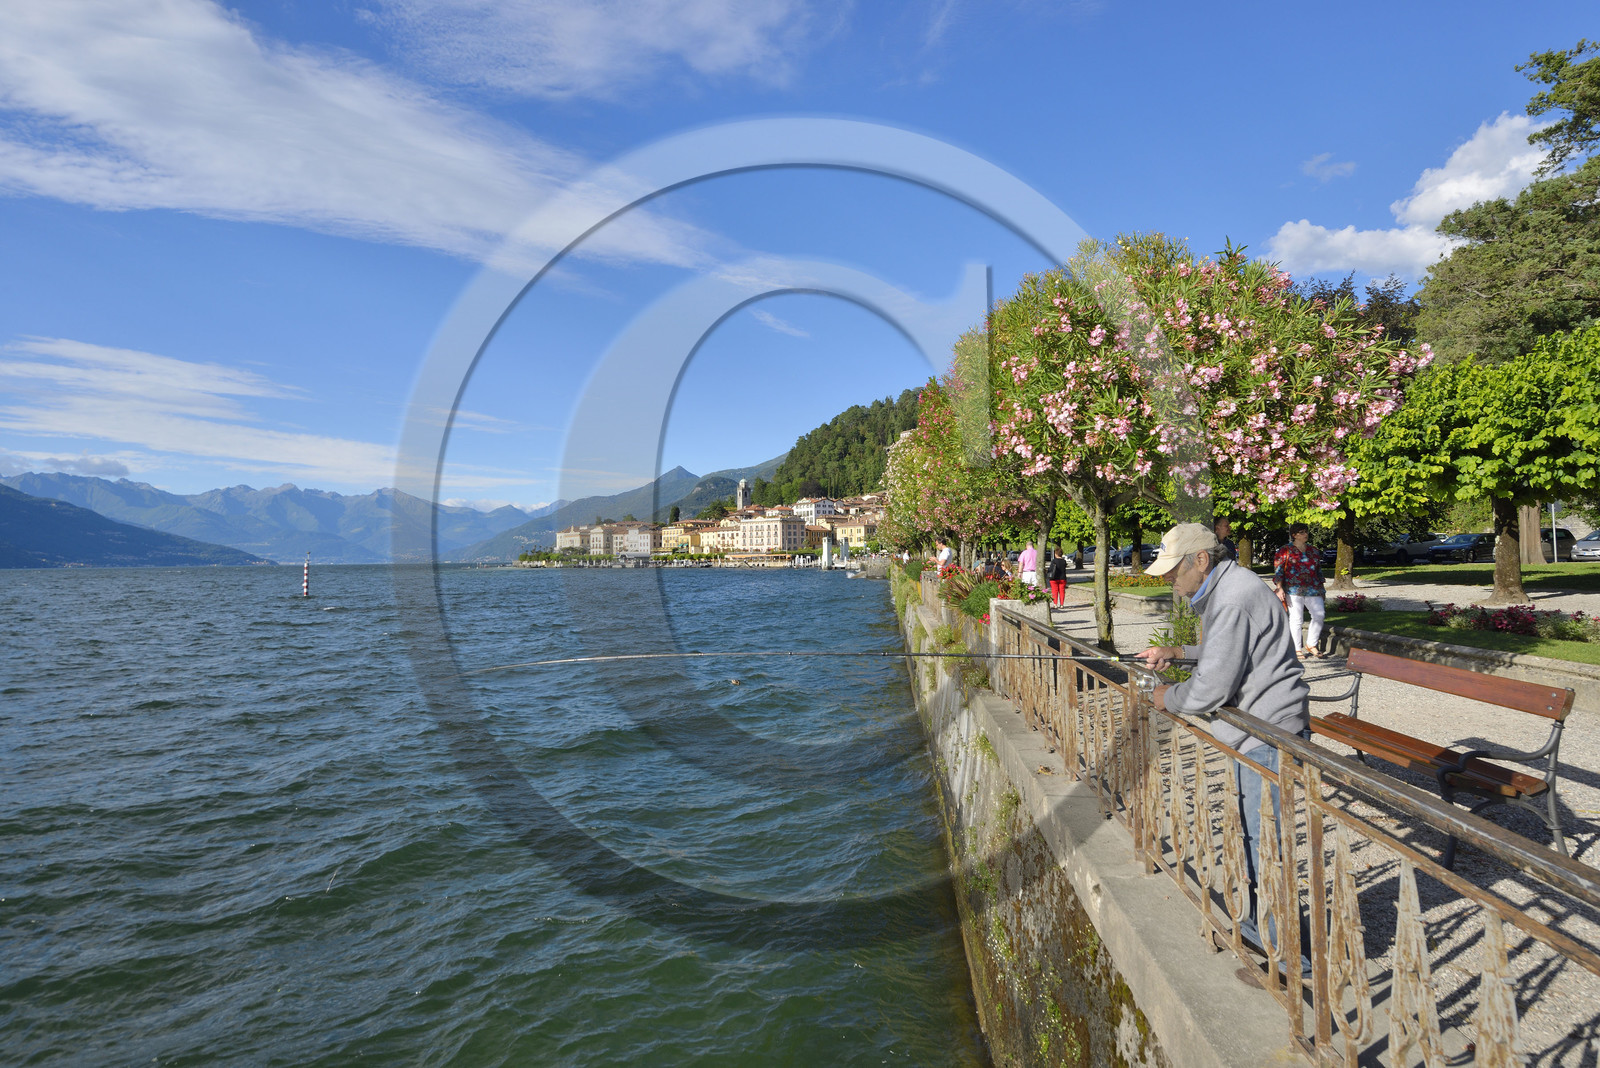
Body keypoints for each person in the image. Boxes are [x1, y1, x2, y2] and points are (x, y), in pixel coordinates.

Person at [1136, 522, 1310, 962]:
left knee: (1267, 843)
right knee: (1257, 838)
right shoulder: (1231, 587)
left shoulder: (1231, 596)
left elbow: (1212, 687)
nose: (1171, 582)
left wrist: (1166, 697)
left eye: (1175, 572)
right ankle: (1268, 933)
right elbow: (1227, 650)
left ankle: (1286, 956)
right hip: (1256, 732)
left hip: (1268, 734)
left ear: (1201, 560)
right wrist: (1177, 654)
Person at [1272, 522, 1326, 659]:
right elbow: (1279, 570)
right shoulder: (1285, 550)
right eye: (1302, 532)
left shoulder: (1313, 551)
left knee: (1319, 615)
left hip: (1313, 588)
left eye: (1306, 532)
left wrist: (1322, 589)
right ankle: (1296, 648)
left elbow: (1318, 571)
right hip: (1293, 589)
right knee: (1296, 619)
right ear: (1294, 535)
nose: (1305, 534)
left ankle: (1311, 644)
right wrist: (1279, 588)